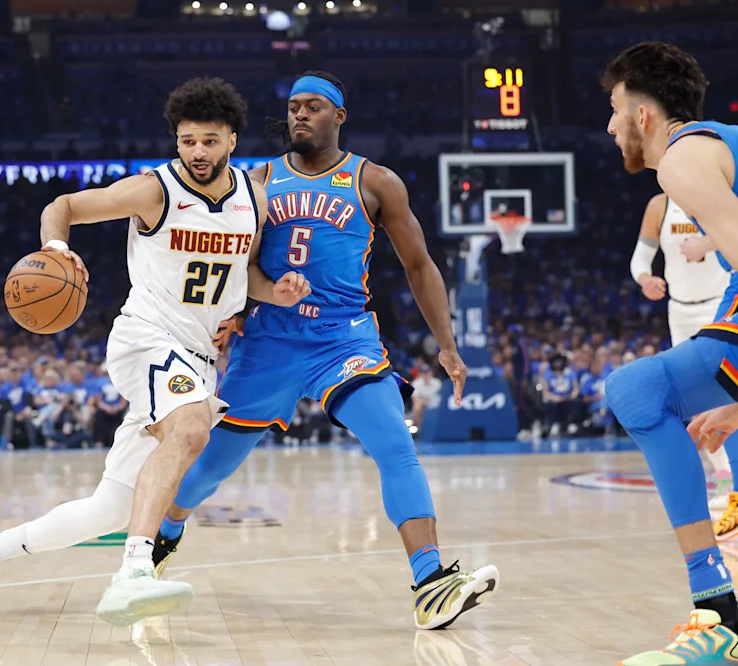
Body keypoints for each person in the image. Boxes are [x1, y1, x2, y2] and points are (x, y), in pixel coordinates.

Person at [0, 77, 310, 626]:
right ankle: (134, 570)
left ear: (232, 139)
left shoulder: (253, 198)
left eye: (209, 140)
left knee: (109, 508)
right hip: (147, 338)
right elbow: (62, 204)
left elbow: (242, 273)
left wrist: (272, 291)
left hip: (199, 357)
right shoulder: (153, 190)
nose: (198, 152)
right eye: (187, 141)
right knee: (189, 429)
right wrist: (58, 248)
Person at [153, 71, 498, 631]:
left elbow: (419, 265)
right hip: (270, 339)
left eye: (312, 107)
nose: (299, 116)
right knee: (208, 471)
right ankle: (162, 538)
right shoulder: (257, 178)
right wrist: (231, 312)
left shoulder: (375, 181)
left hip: (344, 336)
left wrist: (447, 344)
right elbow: (236, 258)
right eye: (293, 107)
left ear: (339, 115)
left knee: (394, 443)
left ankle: (431, 580)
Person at [601, 41, 738, 663]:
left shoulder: (680, 162)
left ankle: (717, 614)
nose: (609, 126)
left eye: (614, 109)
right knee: (641, 388)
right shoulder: (715, 144)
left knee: (636, 390)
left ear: (645, 116)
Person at [631, 191, 735, 511]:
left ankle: (732, 486)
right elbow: (640, 258)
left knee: (727, 397)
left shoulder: (716, 194)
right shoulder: (658, 206)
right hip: (680, 311)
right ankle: (726, 483)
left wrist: (706, 244)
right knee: (699, 401)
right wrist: (645, 278)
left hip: (720, 306)